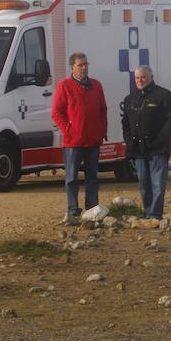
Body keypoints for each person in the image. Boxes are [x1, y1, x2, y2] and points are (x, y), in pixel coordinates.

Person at [51, 52, 108, 223]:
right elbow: (57, 112)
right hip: (73, 142)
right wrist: (68, 130)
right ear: (72, 68)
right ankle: (73, 209)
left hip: (93, 140)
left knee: (92, 177)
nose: (84, 67)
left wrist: (102, 130)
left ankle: (92, 208)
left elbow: (102, 110)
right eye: (80, 65)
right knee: (71, 177)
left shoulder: (96, 85)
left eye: (85, 64)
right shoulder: (65, 86)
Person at [122, 65, 171, 219]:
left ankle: (155, 215)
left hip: (157, 150)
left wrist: (160, 139)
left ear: (151, 77)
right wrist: (129, 141)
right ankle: (148, 213)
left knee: (157, 185)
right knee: (143, 185)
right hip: (138, 151)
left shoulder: (163, 95)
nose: (140, 80)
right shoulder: (131, 98)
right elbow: (126, 123)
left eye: (143, 77)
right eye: (137, 78)